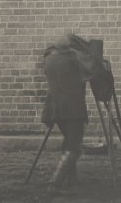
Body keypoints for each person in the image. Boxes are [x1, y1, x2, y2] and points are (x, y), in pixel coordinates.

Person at [41, 34, 101, 193]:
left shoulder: (49, 59)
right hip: (72, 108)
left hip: (54, 107)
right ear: (69, 47)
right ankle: (55, 183)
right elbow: (92, 69)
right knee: (74, 146)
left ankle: (71, 180)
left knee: (69, 140)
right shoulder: (74, 57)